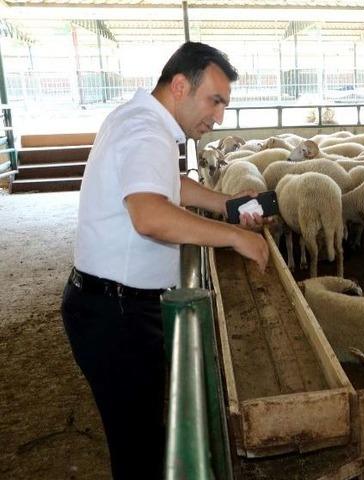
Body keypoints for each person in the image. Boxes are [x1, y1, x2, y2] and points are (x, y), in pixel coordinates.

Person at [60, 41, 268, 479]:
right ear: (179, 85)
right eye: (215, 101)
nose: (218, 117)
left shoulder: (141, 120)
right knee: (142, 450)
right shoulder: (146, 130)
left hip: (113, 306)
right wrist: (232, 237)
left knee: (146, 436)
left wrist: (225, 203)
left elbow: (164, 184)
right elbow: (150, 215)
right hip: (117, 314)